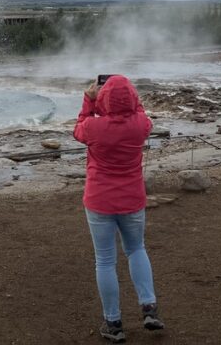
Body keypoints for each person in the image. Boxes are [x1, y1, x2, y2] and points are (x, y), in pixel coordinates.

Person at [73, 74, 164, 342]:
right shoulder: (141, 125)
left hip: (99, 200)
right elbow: (140, 112)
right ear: (134, 99)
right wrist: (128, 101)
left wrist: (89, 100)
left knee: (105, 260)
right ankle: (149, 307)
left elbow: (78, 128)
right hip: (132, 200)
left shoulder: (93, 127)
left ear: (103, 98)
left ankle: (113, 323)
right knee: (137, 249)